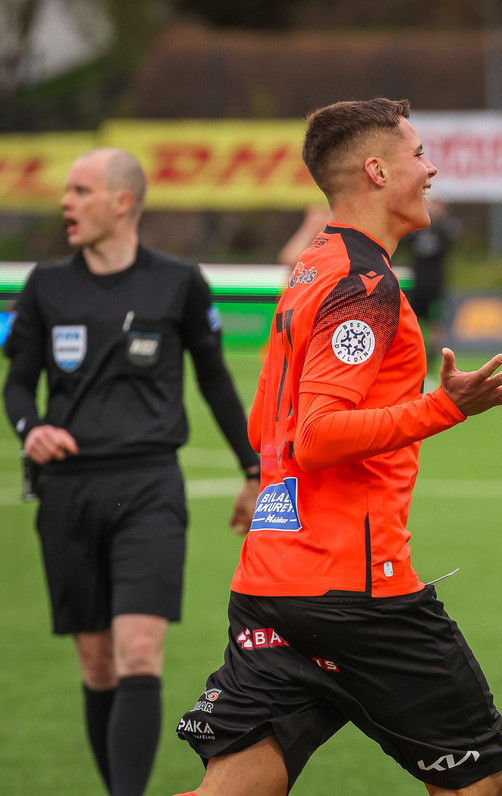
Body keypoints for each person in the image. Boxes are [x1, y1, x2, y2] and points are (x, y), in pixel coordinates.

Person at [173, 98, 502, 796]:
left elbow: (265, 426)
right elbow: (314, 438)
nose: (431, 169)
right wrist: (446, 406)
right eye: (418, 154)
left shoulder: (312, 266)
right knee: (477, 781)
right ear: (377, 170)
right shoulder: (365, 284)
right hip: (355, 591)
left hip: (271, 581)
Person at [2, 147, 261, 796]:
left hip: (149, 487)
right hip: (68, 490)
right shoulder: (44, 286)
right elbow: (17, 385)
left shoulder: (177, 281)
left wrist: (252, 467)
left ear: (123, 203)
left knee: (139, 651)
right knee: (97, 665)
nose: (65, 202)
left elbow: (215, 381)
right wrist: (32, 430)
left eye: (80, 190)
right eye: (67, 190)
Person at [401, 198, 462, 366]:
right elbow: (403, 238)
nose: (434, 211)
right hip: (416, 283)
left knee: (436, 324)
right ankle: (414, 357)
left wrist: (438, 221)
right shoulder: (416, 229)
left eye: (438, 208)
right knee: (413, 323)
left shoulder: (445, 229)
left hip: (435, 285)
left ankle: (435, 361)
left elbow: (453, 235)